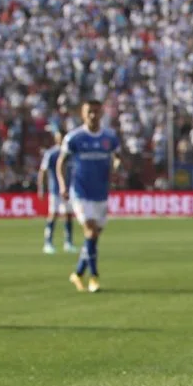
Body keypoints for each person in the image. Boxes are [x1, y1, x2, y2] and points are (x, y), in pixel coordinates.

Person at [57, 100, 121, 293]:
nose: (93, 115)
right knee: (91, 233)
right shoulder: (75, 138)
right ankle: (94, 278)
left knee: (92, 239)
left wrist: (117, 164)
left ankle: (77, 273)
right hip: (80, 193)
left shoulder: (109, 137)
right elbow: (61, 162)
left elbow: (117, 156)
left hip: (101, 194)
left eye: (96, 111)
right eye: (89, 112)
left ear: (101, 113)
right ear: (83, 114)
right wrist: (63, 185)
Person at [37, 130, 76, 254]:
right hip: (55, 190)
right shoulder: (51, 153)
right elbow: (43, 171)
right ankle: (48, 242)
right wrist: (41, 188)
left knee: (68, 215)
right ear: (56, 139)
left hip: (69, 190)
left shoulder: (71, 153)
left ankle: (68, 242)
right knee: (53, 215)